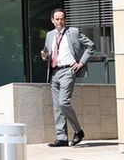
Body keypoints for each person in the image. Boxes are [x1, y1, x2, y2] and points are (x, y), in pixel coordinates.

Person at [40, 9, 94, 147]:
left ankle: (78, 131)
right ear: (52, 20)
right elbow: (47, 52)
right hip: (54, 72)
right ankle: (62, 138)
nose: (60, 21)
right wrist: (44, 55)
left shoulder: (73, 32)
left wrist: (81, 63)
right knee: (57, 106)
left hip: (68, 71)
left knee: (63, 102)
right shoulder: (49, 35)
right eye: (57, 19)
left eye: (62, 19)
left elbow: (91, 46)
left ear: (65, 19)